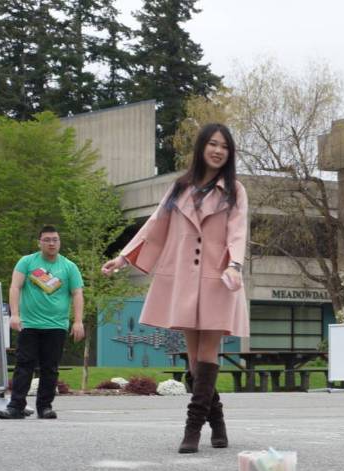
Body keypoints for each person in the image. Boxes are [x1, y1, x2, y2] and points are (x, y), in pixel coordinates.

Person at [101, 123, 249, 453]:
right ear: (201, 148)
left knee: (207, 354)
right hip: (183, 278)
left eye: (224, 146)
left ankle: (192, 429)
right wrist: (123, 258)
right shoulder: (179, 186)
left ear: (230, 152)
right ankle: (219, 422)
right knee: (194, 360)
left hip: (217, 278)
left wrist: (234, 265)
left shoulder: (234, 190)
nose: (218, 150)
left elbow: (238, 231)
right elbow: (155, 224)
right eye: (212, 144)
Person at [0, 226, 84, 419]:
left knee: (50, 368)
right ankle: (16, 406)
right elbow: (15, 287)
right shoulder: (27, 262)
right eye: (47, 240)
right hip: (29, 324)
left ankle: (44, 407)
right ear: (40, 243)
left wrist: (78, 321)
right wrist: (15, 315)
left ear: (59, 242)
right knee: (24, 365)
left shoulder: (69, 267)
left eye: (55, 239)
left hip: (56, 325)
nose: (52, 243)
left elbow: (77, 293)